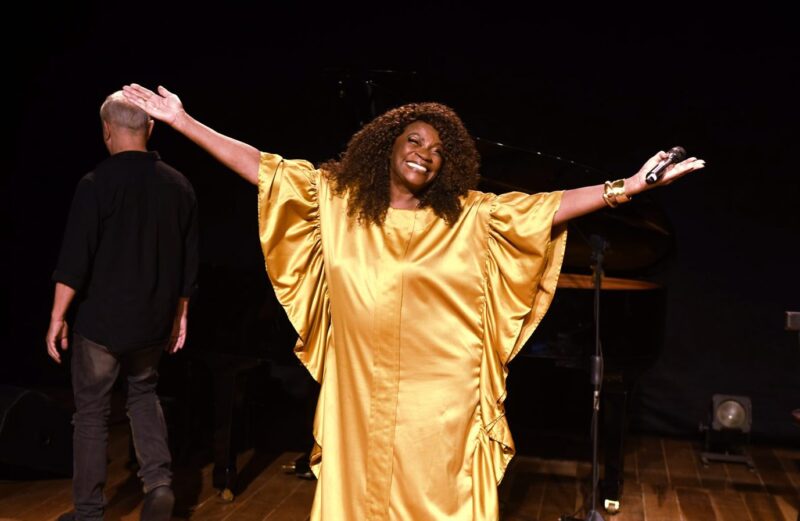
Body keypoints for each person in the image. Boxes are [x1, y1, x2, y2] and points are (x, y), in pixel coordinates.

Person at [122, 83, 703, 521]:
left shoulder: (469, 217)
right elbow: (262, 169)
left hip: (441, 403)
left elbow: (545, 208)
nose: (426, 153)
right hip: (360, 395)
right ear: (388, 146)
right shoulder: (337, 202)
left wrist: (627, 188)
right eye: (415, 140)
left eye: (439, 150)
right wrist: (183, 121)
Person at [46, 91, 199, 521]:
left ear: (106, 131)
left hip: (102, 326)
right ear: (149, 128)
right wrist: (181, 313)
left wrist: (57, 317)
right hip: (152, 322)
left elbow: (74, 262)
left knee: (92, 413)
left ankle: (89, 513)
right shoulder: (179, 186)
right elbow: (188, 260)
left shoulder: (95, 184)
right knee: (143, 394)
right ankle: (159, 484)